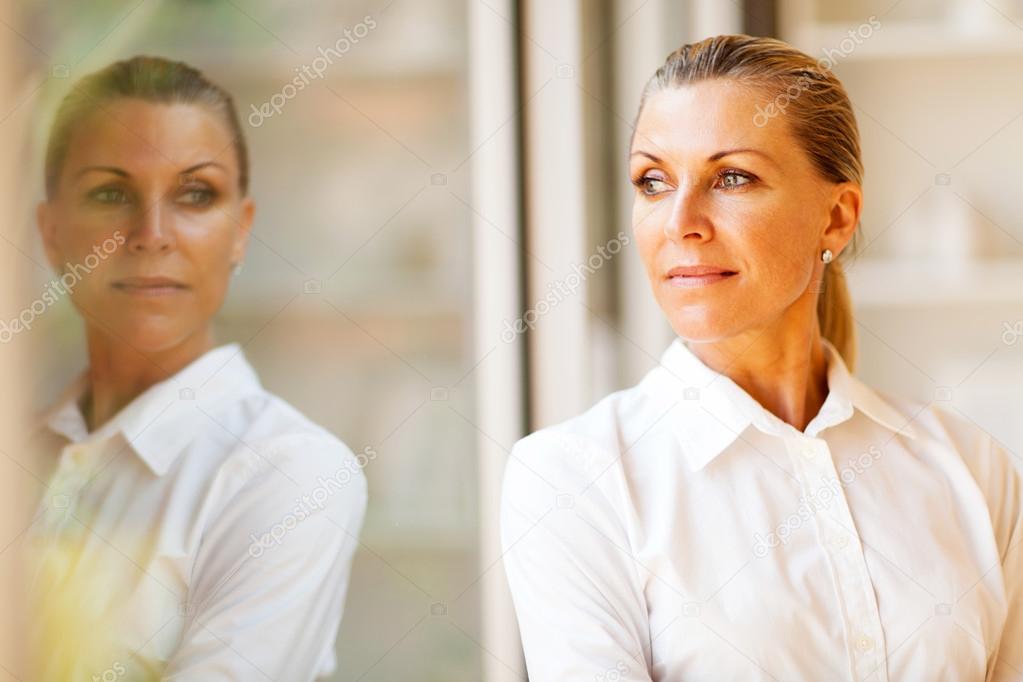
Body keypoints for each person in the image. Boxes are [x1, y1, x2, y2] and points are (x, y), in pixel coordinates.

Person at [501, 35, 1021, 681]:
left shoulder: (968, 468)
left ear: (835, 217)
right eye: (653, 181)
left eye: (732, 178)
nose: (679, 222)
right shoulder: (572, 478)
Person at [25, 56, 366, 680]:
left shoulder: (289, 476)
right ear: (52, 235)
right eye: (111, 193)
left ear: (239, 231)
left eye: (195, 195)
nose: (151, 234)